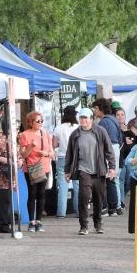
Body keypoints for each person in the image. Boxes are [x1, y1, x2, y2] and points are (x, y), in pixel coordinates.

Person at [64, 108, 115, 236]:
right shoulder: (75, 134)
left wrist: (112, 167)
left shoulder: (100, 131)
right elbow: (69, 154)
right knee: (84, 197)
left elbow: (109, 150)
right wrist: (67, 171)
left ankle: (98, 224)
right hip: (83, 170)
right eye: (81, 118)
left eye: (86, 118)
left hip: (99, 171)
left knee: (99, 200)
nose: (83, 120)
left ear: (92, 119)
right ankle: (83, 226)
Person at [18, 111, 55, 233]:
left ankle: (38, 221)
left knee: (41, 194)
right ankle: (31, 222)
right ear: (30, 122)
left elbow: (52, 154)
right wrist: (31, 147)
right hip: (31, 168)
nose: (40, 123)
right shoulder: (24, 135)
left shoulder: (46, 134)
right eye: (38, 121)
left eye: (41, 121)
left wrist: (46, 153)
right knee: (32, 194)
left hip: (44, 168)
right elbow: (23, 155)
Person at [92, 99, 123, 217]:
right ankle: (113, 208)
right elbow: (120, 138)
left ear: (100, 108)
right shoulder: (114, 119)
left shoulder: (103, 122)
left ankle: (104, 207)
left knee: (102, 179)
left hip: (107, 149)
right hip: (115, 149)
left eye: (95, 108)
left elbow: (100, 140)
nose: (95, 111)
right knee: (112, 179)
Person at [52, 106, 79, 218]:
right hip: (77, 158)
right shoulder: (78, 128)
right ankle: (79, 211)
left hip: (63, 157)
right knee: (78, 185)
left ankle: (61, 213)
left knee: (63, 186)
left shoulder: (58, 128)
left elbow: (54, 145)